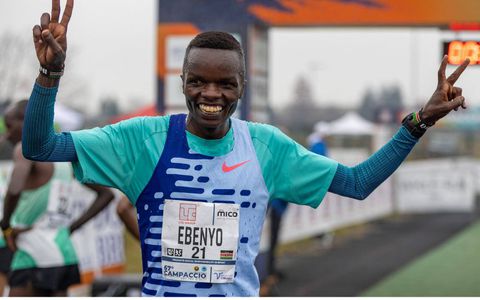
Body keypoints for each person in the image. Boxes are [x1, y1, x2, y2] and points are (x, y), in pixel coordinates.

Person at [21, 0, 470, 296]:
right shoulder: (141, 139)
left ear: (242, 87)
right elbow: (40, 146)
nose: (210, 94)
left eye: (224, 83)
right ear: (182, 83)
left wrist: (418, 122)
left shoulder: (266, 147)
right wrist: (51, 75)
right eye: (197, 81)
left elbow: (357, 183)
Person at [0, 100, 116, 296]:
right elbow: (106, 195)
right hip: (64, 252)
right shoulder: (63, 154)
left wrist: (6, 226)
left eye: (10, 126)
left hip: (34, 251)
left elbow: (14, 188)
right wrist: (70, 228)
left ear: (28, 124)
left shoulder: (24, 149)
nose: (7, 134)